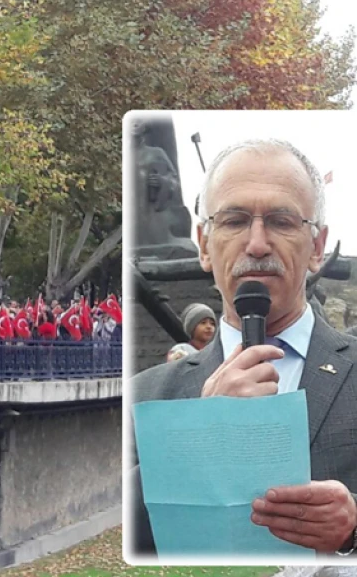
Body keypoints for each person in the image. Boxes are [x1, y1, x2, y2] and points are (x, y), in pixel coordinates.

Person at [130, 139, 357, 557]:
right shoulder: (145, 396)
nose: (256, 244)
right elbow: (123, 540)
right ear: (203, 243)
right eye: (234, 220)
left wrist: (354, 531)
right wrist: (197, 434)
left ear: (318, 247)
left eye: (282, 221)